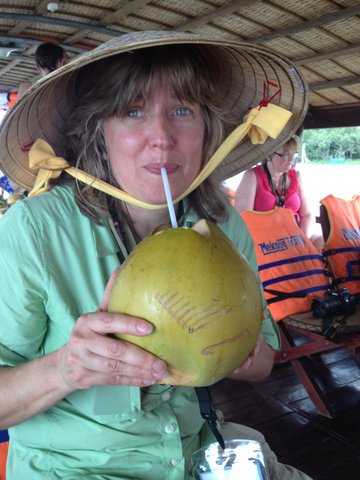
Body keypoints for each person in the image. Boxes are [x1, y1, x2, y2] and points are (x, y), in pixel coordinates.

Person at [0, 31, 312, 479]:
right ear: (98, 131)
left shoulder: (222, 226)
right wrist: (64, 370)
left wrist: (236, 351)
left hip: (198, 453)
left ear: (209, 129)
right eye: (132, 111)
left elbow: (263, 362)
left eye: (183, 111)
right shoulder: (35, 232)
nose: (162, 138)